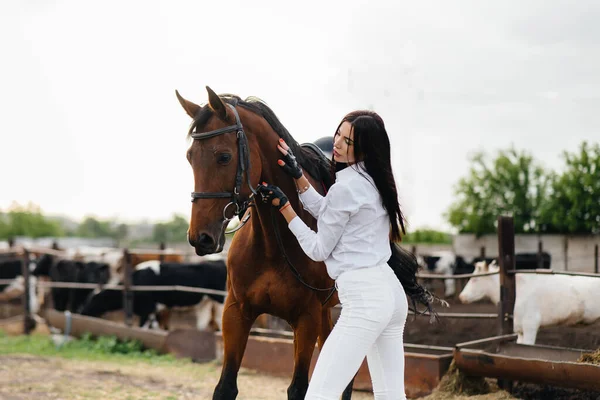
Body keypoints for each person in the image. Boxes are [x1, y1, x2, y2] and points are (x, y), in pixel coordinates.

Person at [258, 110, 440, 400]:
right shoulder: (372, 180)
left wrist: (285, 209)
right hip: (390, 295)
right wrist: (298, 177)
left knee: (319, 394)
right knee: (390, 394)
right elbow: (331, 212)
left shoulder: (345, 187)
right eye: (338, 134)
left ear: (365, 148)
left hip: (365, 298)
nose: (339, 144)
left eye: (349, 141)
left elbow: (318, 249)